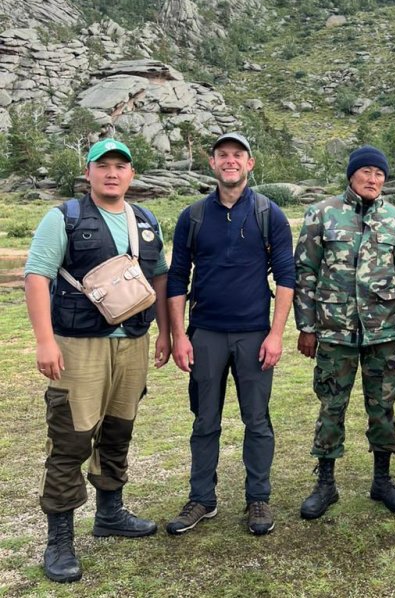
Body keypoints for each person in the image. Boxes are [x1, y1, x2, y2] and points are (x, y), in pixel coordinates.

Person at [24, 138, 170, 584]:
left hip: (133, 343)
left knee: (118, 430)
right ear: (87, 173)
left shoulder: (144, 220)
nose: (112, 173)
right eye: (102, 165)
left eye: (120, 166)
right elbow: (36, 277)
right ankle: (60, 538)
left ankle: (110, 514)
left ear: (131, 174)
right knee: (70, 438)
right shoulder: (63, 218)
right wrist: (45, 342)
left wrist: (167, 331)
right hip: (78, 345)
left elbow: (159, 278)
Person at [166, 132, 294, 537]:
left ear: (250, 164)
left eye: (238, 155)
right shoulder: (193, 216)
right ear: (213, 163)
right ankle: (202, 498)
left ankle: (258, 497)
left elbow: (287, 277)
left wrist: (276, 334)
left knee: (257, 420)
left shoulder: (268, 214)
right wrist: (178, 336)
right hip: (205, 334)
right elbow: (176, 279)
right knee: (205, 421)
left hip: (255, 333)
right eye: (223, 155)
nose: (230, 161)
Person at [294, 145, 395, 519]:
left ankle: (382, 480)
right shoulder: (323, 214)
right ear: (351, 174)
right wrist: (307, 326)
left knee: (383, 407)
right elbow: (305, 272)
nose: (373, 179)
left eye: (379, 174)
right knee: (332, 405)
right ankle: (326, 484)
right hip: (334, 330)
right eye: (366, 172)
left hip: (384, 332)